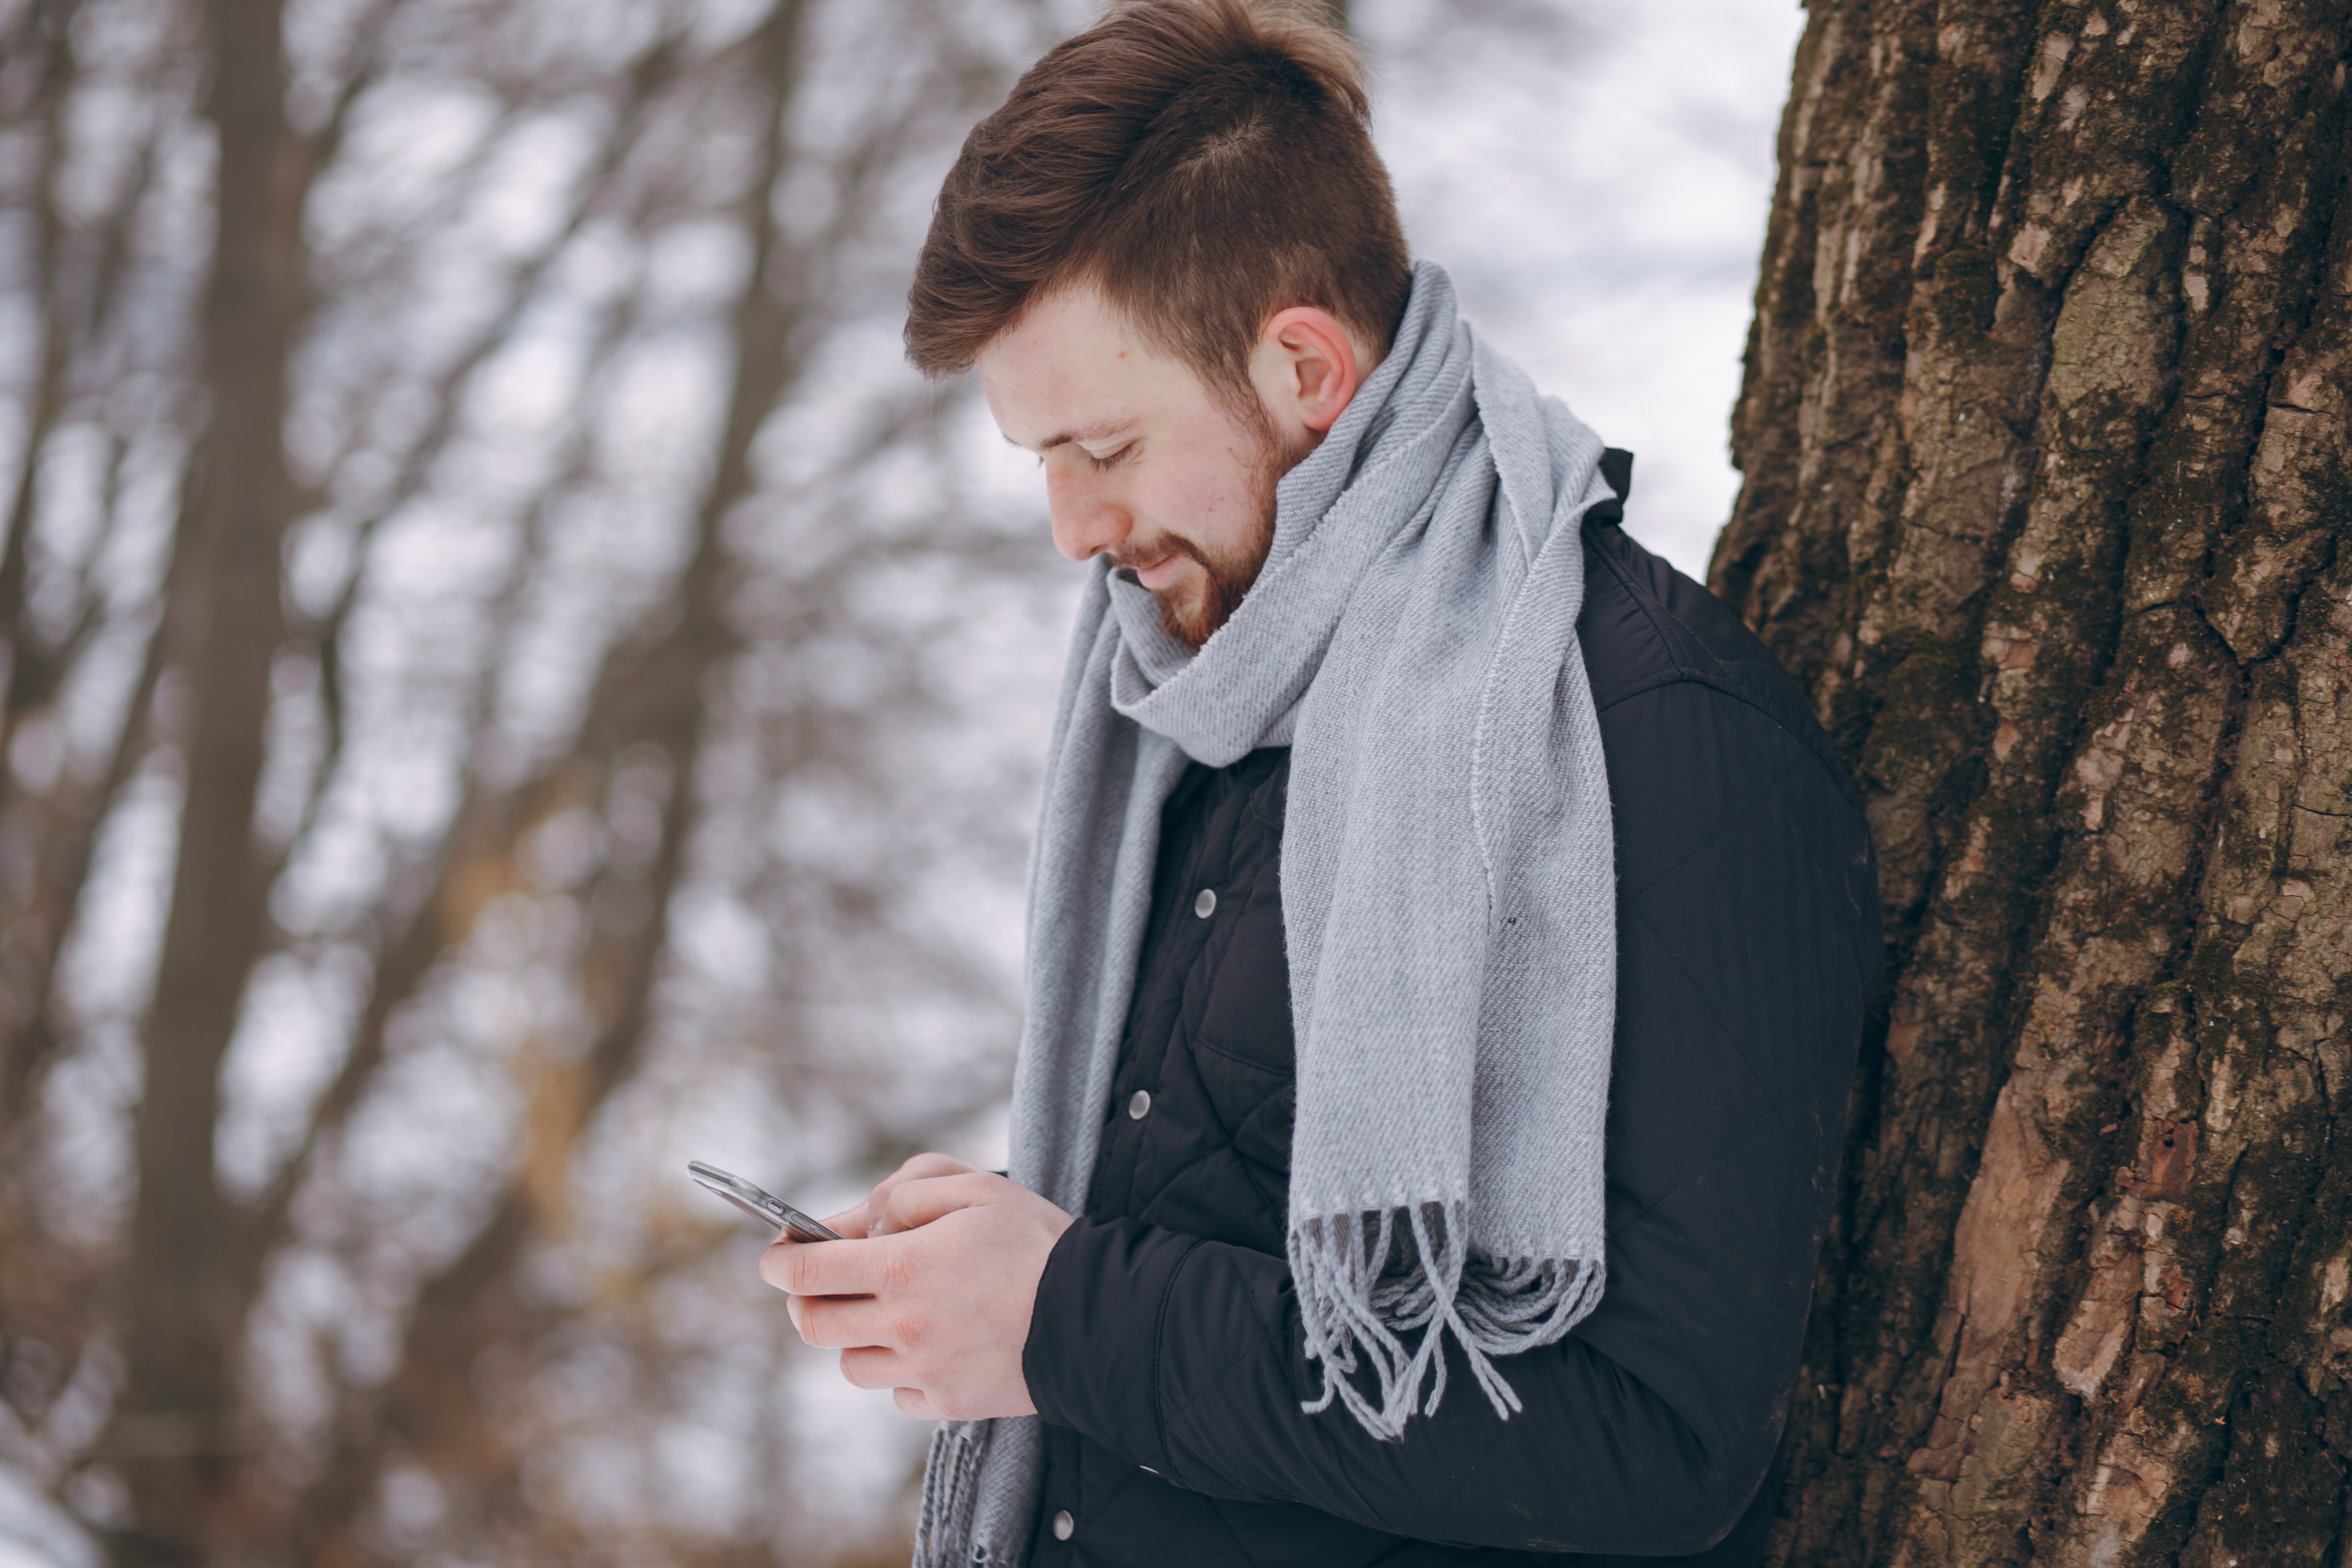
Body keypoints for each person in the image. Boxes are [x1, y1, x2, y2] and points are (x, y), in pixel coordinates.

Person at [759, 3, 1880, 1565]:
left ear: (1305, 367)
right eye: (1042, 462)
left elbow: (1659, 1437)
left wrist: (1068, 1312)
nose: (1074, 529)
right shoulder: (1193, 711)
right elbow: (1255, 1223)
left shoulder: (1650, 732)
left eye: (1104, 446)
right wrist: (996, 1262)